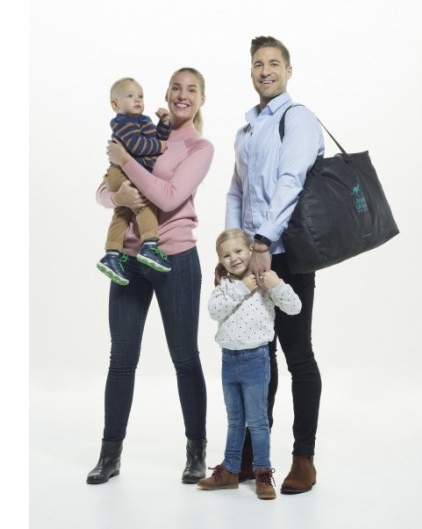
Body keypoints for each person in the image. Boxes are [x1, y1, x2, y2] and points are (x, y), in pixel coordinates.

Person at [87, 67, 214, 485]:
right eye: (176, 88)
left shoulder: (199, 147)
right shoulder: (140, 129)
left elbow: (169, 197)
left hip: (175, 258)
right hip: (128, 259)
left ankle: (196, 451)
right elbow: (104, 189)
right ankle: (109, 455)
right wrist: (116, 195)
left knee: (185, 358)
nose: (182, 95)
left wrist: (125, 161)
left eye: (191, 90)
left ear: (201, 99)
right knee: (121, 359)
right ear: (167, 93)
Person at [224, 36, 325, 495]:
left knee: (297, 354)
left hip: (288, 253)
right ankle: (251, 455)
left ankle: (304, 458)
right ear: (250, 71)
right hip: (251, 256)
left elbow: (291, 180)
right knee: (257, 357)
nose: (265, 71)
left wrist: (264, 239)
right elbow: (236, 191)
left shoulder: (297, 118)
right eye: (258, 64)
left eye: (273, 63)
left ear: (288, 70)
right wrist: (235, 248)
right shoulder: (246, 131)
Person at [198, 229, 301, 500]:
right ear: (220, 260)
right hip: (228, 361)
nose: (234, 258)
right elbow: (214, 311)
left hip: (256, 360)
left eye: (239, 251)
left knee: (257, 421)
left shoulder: (264, 281)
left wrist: (276, 284)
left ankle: (262, 472)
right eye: (226, 255)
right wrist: (242, 288)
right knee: (235, 420)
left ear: (250, 251)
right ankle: (230, 470)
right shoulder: (225, 286)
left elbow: (295, 307)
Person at [97, 77, 172, 285]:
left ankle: (111, 255)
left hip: (128, 172)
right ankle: (149, 245)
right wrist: (159, 147)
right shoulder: (123, 123)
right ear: (115, 104)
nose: (137, 100)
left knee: (122, 213)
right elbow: (137, 146)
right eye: (130, 96)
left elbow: (156, 138)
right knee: (142, 203)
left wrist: (164, 124)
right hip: (119, 172)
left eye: (140, 96)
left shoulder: (144, 120)